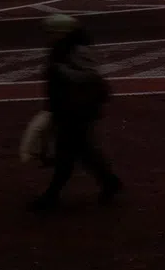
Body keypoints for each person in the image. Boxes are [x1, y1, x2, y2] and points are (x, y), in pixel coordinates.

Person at [28, 15, 121, 211]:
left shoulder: (74, 51)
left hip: (76, 109)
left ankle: (52, 196)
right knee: (83, 151)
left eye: (51, 32)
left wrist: (60, 71)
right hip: (74, 108)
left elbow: (88, 77)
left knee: (68, 153)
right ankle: (109, 182)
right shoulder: (66, 48)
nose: (48, 36)